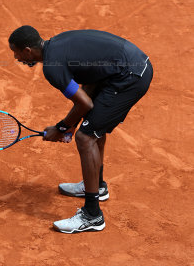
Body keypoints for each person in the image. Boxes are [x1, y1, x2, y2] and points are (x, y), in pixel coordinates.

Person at [8, 25, 153, 234]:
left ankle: (92, 215)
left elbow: (84, 103)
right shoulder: (58, 44)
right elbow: (90, 86)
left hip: (130, 77)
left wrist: (61, 128)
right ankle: (96, 186)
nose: (15, 57)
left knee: (85, 138)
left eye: (16, 52)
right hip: (129, 65)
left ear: (28, 51)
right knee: (94, 128)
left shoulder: (52, 68)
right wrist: (71, 124)